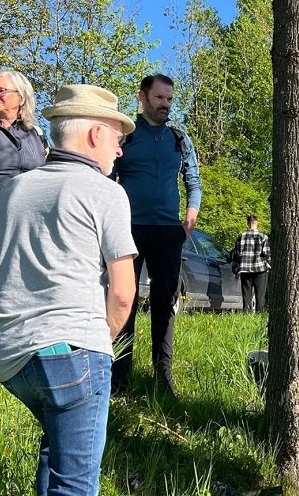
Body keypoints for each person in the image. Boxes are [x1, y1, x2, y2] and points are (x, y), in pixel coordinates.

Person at [0, 84, 137, 495]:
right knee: (75, 484)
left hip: (11, 358)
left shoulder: (12, 191)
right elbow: (124, 292)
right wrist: (97, 341)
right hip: (75, 352)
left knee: (56, 454)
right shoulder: (107, 193)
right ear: (95, 135)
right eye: (117, 138)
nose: (119, 150)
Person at [111, 74, 202, 396]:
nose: (165, 105)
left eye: (169, 100)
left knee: (165, 303)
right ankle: (119, 380)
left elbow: (194, 180)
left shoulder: (180, 138)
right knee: (124, 301)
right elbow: (107, 179)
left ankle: (162, 379)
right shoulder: (124, 137)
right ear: (143, 97)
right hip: (127, 231)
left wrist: (191, 212)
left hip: (168, 232)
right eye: (159, 98)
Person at [0, 70, 47, 317]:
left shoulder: (37, 134)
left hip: (27, 226)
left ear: (21, 97)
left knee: (19, 290)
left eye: (2, 90)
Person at [232, 215, 271, 312]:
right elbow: (267, 254)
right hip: (260, 268)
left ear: (247, 223)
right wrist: (268, 263)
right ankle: (259, 312)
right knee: (260, 294)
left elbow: (236, 254)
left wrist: (236, 267)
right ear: (256, 223)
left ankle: (246, 313)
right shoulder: (262, 236)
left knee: (246, 294)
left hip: (245, 268)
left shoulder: (241, 237)